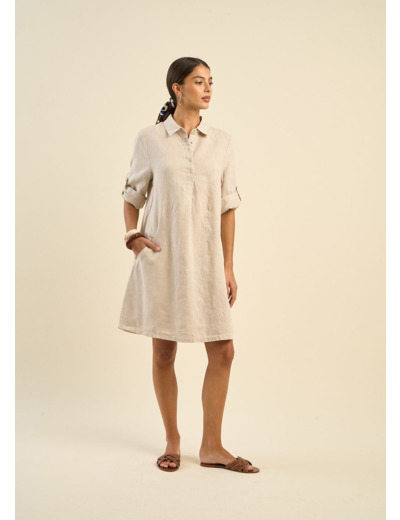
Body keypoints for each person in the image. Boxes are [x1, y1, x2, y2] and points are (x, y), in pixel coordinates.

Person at [118, 57, 259, 474]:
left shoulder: (222, 142)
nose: (208, 88)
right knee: (164, 352)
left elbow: (228, 206)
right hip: (163, 257)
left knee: (223, 350)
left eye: (211, 81)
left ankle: (212, 445)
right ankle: (172, 441)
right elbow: (131, 195)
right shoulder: (150, 139)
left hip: (207, 262)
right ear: (177, 89)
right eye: (199, 81)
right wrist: (133, 238)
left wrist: (228, 266)